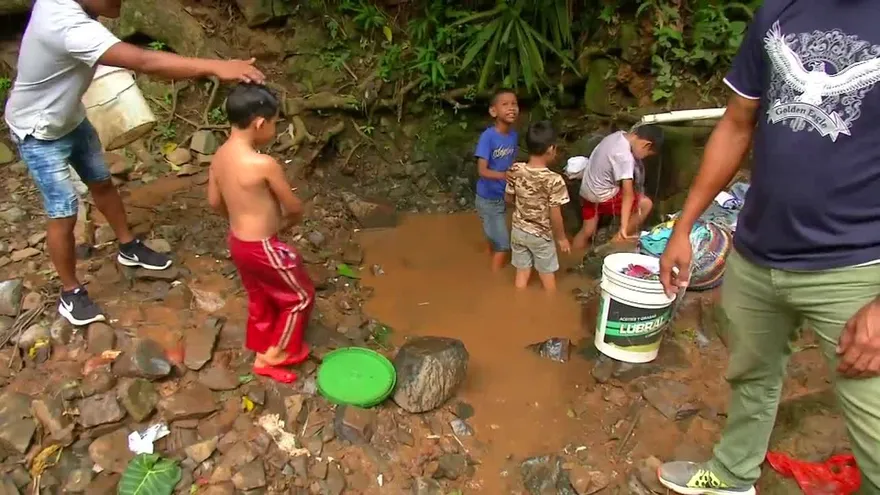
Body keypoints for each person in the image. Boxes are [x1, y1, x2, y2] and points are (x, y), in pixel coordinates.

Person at [656, 1, 880, 494]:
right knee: (751, 378)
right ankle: (733, 475)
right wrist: (683, 227)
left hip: (856, 267)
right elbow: (737, 124)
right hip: (758, 254)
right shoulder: (779, 10)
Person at [4, 0, 265, 326]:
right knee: (64, 211)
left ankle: (128, 245)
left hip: (71, 119)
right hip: (39, 132)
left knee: (101, 180)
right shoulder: (65, 23)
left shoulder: (77, 8)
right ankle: (70, 293)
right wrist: (215, 66)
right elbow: (144, 61)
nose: (120, 2)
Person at [207, 84, 314, 384]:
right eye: (275, 123)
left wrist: (239, 219)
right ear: (259, 123)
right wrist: (284, 224)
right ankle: (275, 356)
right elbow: (293, 206)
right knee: (301, 296)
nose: (275, 129)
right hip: (263, 245)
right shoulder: (263, 164)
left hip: (238, 243)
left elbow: (214, 202)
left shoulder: (218, 158)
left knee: (260, 294)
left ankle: (261, 345)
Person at [571, 126, 663, 250]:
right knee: (646, 204)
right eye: (647, 154)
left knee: (587, 230)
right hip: (602, 196)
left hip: (587, 190)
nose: (644, 158)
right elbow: (628, 194)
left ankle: (571, 258)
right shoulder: (624, 157)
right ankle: (617, 239)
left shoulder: (617, 136)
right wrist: (624, 226)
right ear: (646, 145)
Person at [505, 121, 570, 291]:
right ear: (550, 149)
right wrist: (562, 238)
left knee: (522, 272)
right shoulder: (554, 180)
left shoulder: (515, 169)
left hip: (518, 230)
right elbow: (556, 215)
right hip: (541, 235)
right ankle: (550, 307)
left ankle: (518, 304)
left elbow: (508, 198)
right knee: (547, 275)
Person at [474, 89, 520, 271]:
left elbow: (511, 163)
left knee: (495, 233)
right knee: (503, 245)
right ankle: (493, 281)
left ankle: (486, 256)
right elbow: (482, 170)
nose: (512, 108)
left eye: (514, 104)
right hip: (487, 198)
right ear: (494, 112)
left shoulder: (513, 136)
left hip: (502, 195)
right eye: (505, 104)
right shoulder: (488, 137)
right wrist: (504, 176)